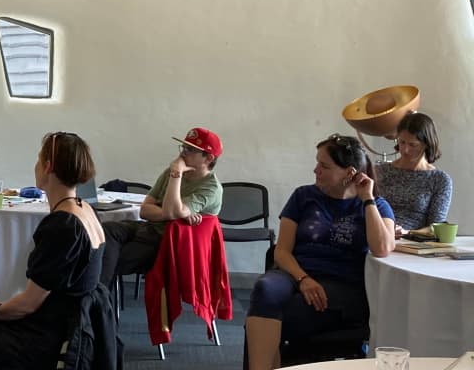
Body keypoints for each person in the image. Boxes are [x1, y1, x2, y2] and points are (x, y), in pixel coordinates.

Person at [0, 132, 114, 370]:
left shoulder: (63, 225)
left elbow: (29, 304)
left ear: (48, 166)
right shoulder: (86, 210)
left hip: (55, 331)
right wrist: (1, 305)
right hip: (76, 321)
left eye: (38, 159)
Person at [244, 134, 395, 370]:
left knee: (275, 316)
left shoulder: (376, 205)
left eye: (324, 166)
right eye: (317, 163)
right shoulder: (303, 196)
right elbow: (281, 252)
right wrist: (303, 279)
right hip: (296, 272)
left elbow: (383, 248)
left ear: (349, 172)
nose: (316, 170)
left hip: (343, 285)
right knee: (264, 291)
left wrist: (367, 198)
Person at [98, 127, 224, 286]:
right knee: (106, 229)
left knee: (103, 260)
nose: (183, 152)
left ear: (208, 158)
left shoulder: (210, 188)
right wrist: (178, 212)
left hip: (166, 243)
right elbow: (145, 210)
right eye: (183, 147)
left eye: (191, 149)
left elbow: (170, 212)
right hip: (148, 228)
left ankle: (97, 302)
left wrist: (176, 173)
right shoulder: (169, 173)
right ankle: (98, 298)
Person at [376, 112, 452, 234]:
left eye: (413, 145)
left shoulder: (439, 180)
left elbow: (436, 227)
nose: (405, 150)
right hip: (378, 237)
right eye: (402, 142)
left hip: (414, 244)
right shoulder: (380, 171)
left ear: (426, 144)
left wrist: (407, 233)